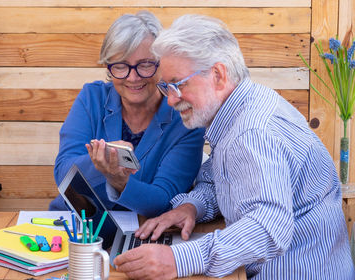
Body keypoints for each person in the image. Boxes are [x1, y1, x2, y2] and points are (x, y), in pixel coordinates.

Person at [113, 14, 355, 279]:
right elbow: (226, 181)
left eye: (179, 85)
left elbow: (268, 227)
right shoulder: (243, 107)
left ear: (218, 74)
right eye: (166, 87)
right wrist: (191, 207)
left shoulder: (251, 133)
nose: (171, 100)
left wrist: (178, 259)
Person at [49, 11, 205, 247]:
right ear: (108, 67)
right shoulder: (92, 98)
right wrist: (100, 162)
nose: (133, 78)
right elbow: (63, 174)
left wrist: (119, 181)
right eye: (121, 66)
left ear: (161, 65)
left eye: (145, 65)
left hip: (143, 239)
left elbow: (163, 200)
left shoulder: (183, 118)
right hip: (77, 231)